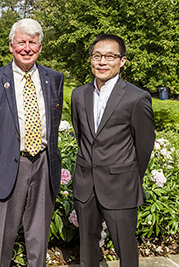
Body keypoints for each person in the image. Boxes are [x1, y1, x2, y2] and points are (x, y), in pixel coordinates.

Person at [0, 18, 64, 266]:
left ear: (40, 47)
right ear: (10, 45)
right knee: (2, 238)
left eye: (32, 43)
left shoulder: (54, 79)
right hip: (7, 165)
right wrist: (4, 149)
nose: (27, 48)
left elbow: (54, 121)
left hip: (44, 164)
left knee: (38, 236)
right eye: (21, 42)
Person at [70, 34, 155, 267]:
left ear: (122, 61)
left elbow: (144, 145)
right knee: (87, 248)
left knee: (125, 249)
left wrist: (129, 177)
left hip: (120, 186)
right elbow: (82, 137)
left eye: (110, 56)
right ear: (90, 59)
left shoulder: (136, 98)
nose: (102, 62)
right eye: (97, 56)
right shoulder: (78, 95)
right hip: (86, 184)